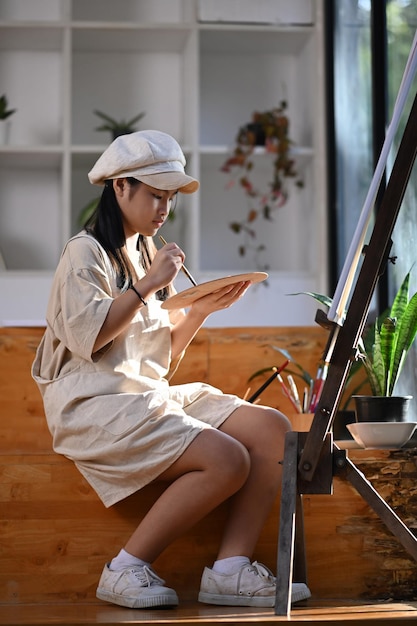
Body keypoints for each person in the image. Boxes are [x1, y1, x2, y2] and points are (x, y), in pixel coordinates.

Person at [32, 130, 311, 610]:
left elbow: (154, 363)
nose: (164, 209)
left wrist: (200, 311)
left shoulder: (143, 250)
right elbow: (90, 340)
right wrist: (148, 285)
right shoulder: (86, 252)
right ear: (120, 187)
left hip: (142, 395)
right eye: (156, 195)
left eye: (171, 198)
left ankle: (229, 571)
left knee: (273, 428)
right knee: (228, 459)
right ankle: (124, 569)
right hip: (92, 406)